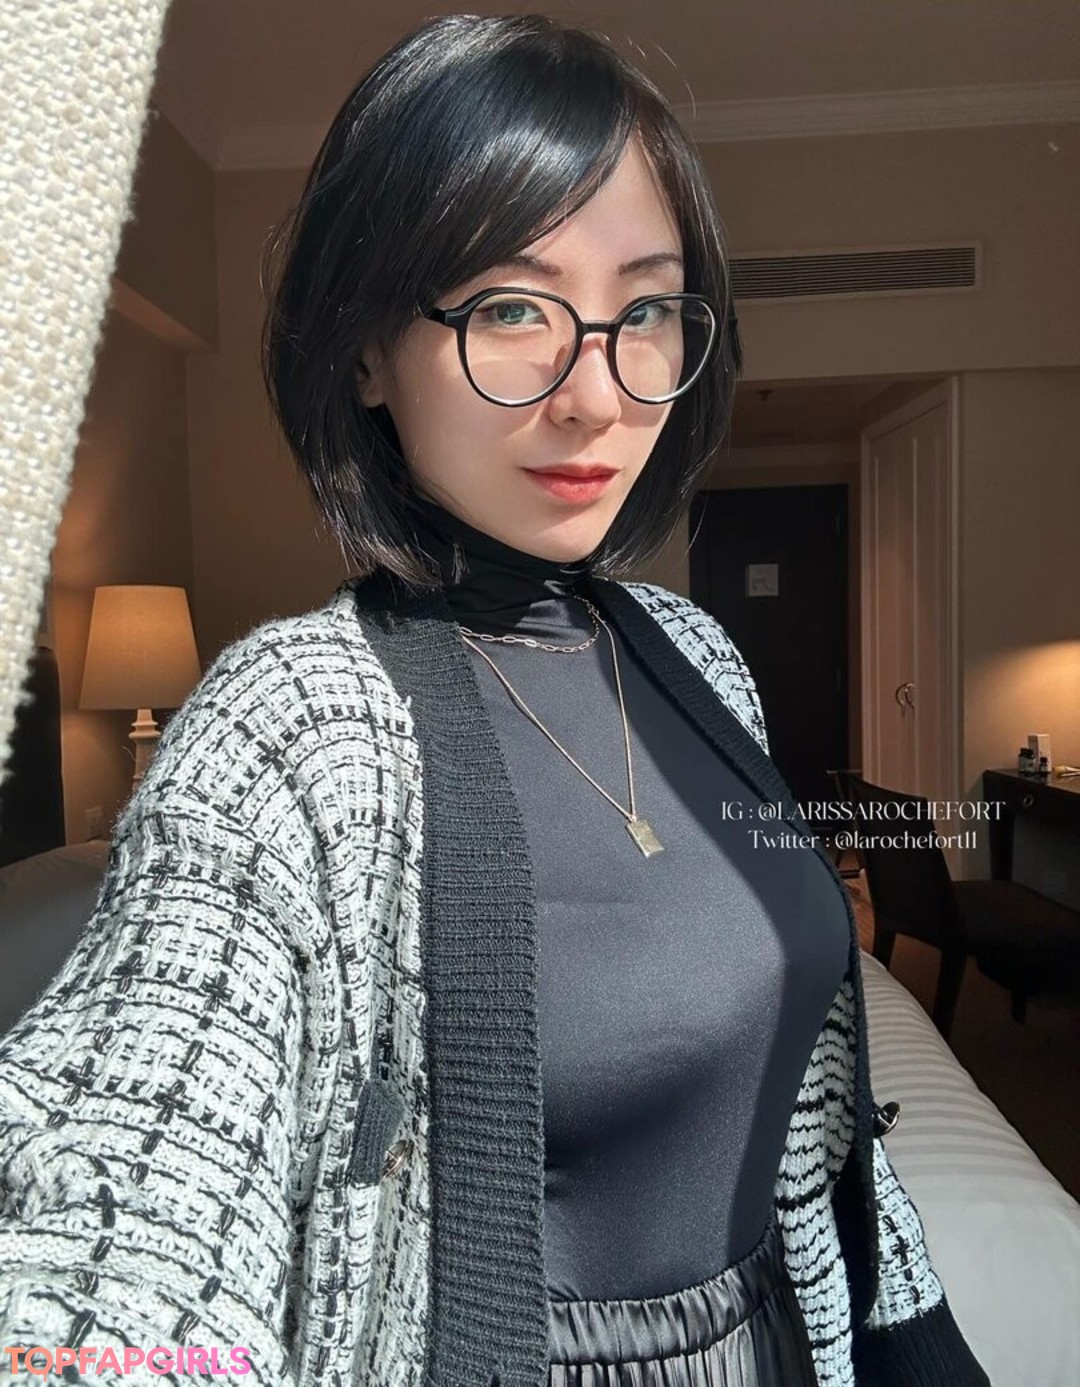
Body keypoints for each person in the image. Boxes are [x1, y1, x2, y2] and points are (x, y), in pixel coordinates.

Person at [0, 14, 988, 1387]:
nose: (596, 397)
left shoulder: (700, 658)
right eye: (513, 309)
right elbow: (127, 1187)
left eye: (644, 312)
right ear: (366, 349)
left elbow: (810, 1120)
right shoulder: (290, 726)